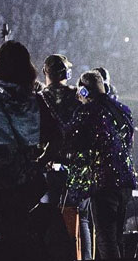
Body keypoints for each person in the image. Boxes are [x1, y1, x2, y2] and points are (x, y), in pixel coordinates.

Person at [0, 40, 67, 261]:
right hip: (21, 189)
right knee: (17, 245)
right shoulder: (34, 102)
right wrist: (40, 162)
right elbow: (58, 137)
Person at [67, 70, 137, 259]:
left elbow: (73, 140)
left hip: (104, 182)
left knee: (106, 239)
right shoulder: (122, 109)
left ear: (83, 92)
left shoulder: (88, 111)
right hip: (125, 181)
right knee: (117, 237)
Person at [39, 54, 92, 260]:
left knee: (49, 217)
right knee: (82, 219)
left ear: (46, 72)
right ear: (67, 73)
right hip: (77, 166)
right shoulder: (78, 95)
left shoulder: (40, 97)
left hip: (48, 164)